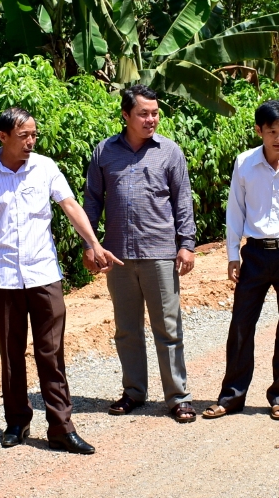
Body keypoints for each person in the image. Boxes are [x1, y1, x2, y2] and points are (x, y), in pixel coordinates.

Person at [0, 107, 118, 453]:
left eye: (34, 135)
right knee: (11, 355)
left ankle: (61, 427)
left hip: (44, 275)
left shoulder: (45, 168)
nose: (31, 141)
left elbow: (71, 206)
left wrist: (94, 243)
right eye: (24, 136)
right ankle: (16, 421)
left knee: (51, 353)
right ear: (3, 137)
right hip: (2, 278)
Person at [203, 100, 279, 422]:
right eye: (272, 131)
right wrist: (232, 254)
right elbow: (235, 210)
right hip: (255, 253)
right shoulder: (244, 164)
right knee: (241, 325)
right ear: (259, 131)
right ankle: (231, 397)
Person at [82, 84, 198, 422]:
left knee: (168, 328)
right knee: (126, 329)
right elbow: (92, 200)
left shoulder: (169, 152)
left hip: (160, 252)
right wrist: (90, 244)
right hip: (117, 255)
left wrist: (186, 244)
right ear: (126, 116)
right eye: (144, 113)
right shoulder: (104, 152)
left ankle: (178, 397)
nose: (151, 119)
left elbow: (182, 200)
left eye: (155, 113)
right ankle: (134, 392)